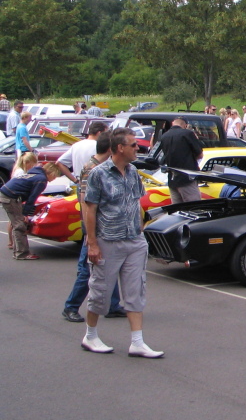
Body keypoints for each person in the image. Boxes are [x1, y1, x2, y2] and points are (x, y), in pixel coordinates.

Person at [81, 127, 164, 358]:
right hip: (109, 240)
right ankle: (90, 335)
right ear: (120, 148)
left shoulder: (133, 171)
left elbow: (137, 203)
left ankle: (137, 341)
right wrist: (92, 243)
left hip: (134, 240)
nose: (138, 148)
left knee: (135, 289)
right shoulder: (99, 174)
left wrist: (142, 232)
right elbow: (90, 209)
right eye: (134, 145)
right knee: (101, 290)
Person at [62, 132, 125, 323]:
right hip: (94, 227)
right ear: (109, 149)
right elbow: (86, 203)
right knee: (87, 268)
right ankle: (71, 306)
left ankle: (113, 305)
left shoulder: (102, 167)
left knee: (110, 265)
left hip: (105, 226)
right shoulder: (93, 169)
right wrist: (90, 235)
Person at [0, 162, 61, 260]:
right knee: (20, 225)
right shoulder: (41, 180)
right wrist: (26, 213)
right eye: (54, 177)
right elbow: (32, 198)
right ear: (51, 173)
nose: (53, 180)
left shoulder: (34, 173)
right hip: (11, 197)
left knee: (16, 223)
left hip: (7, 192)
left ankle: (18, 251)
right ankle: (22, 253)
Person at [160, 117, 203, 204]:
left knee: (177, 210)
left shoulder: (164, 136)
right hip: (187, 178)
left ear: (173, 123)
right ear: (185, 125)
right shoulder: (187, 133)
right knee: (194, 208)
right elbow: (200, 155)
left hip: (172, 178)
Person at [56, 121, 108, 185]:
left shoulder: (76, 145)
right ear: (99, 133)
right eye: (105, 134)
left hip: (80, 182)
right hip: (95, 182)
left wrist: (74, 180)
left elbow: (59, 163)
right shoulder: (99, 146)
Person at [7, 152, 37, 250]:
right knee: (16, 222)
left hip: (12, 196)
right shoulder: (20, 172)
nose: (33, 166)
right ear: (28, 162)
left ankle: (11, 241)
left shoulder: (18, 169)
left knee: (12, 220)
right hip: (14, 197)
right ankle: (14, 243)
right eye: (33, 164)